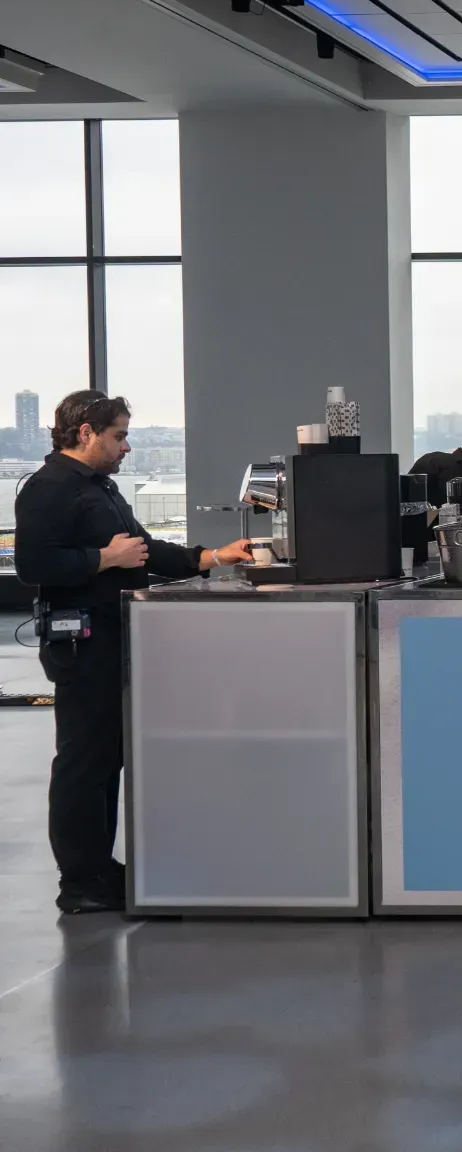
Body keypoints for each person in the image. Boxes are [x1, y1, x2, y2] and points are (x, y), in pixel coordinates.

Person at [12, 391, 253, 915]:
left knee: (107, 757)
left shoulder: (100, 490)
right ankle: (78, 881)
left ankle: (99, 867)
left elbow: (144, 549)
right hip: (80, 644)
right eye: (119, 435)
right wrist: (103, 558)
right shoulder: (48, 488)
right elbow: (33, 565)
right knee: (83, 760)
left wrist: (211, 557)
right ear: (85, 433)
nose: (127, 446)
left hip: (111, 639)